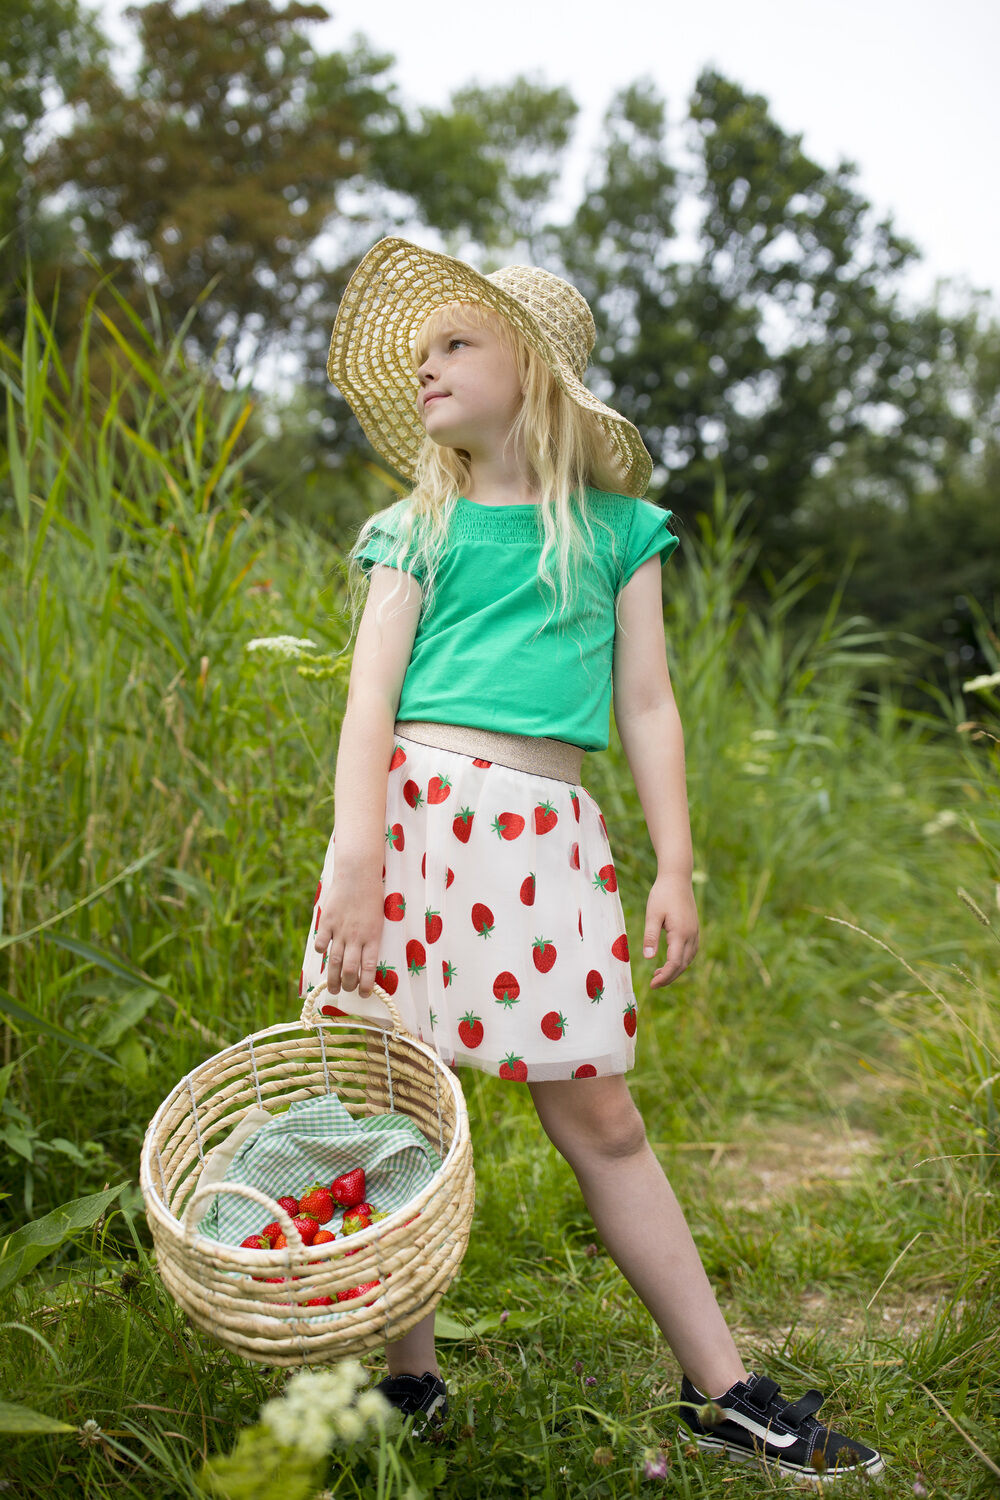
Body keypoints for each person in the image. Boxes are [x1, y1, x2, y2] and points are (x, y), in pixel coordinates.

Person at [297, 237, 885, 1485]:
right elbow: (366, 706)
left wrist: (675, 865)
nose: (428, 369)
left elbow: (650, 706)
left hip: (543, 849)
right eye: (420, 353)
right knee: (399, 1107)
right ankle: (409, 1379)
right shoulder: (417, 524)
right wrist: (355, 861)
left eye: (455, 342)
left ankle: (722, 1388)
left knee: (602, 1118)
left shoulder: (621, 534)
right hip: (409, 828)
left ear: (537, 370)